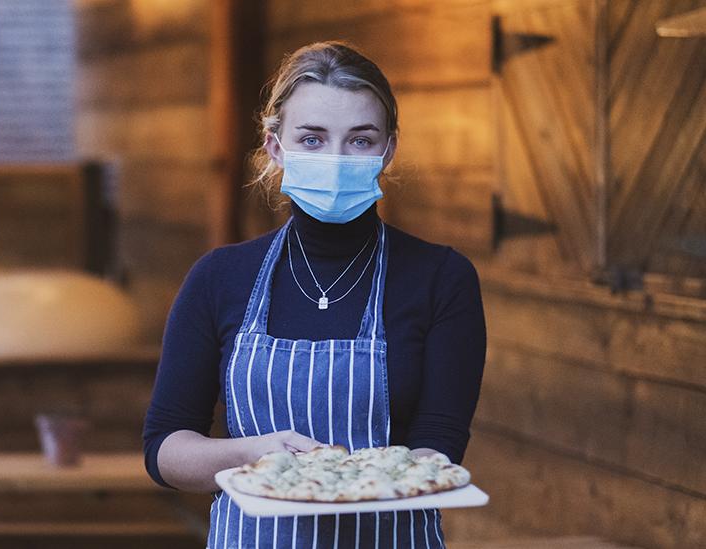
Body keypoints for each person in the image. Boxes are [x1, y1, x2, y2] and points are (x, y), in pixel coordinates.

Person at [143, 41, 486, 548]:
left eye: (360, 140)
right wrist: (257, 454)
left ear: (388, 148)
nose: (335, 158)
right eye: (312, 138)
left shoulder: (442, 278)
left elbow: (439, 444)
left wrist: (353, 478)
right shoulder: (218, 278)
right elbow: (165, 450)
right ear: (275, 145)